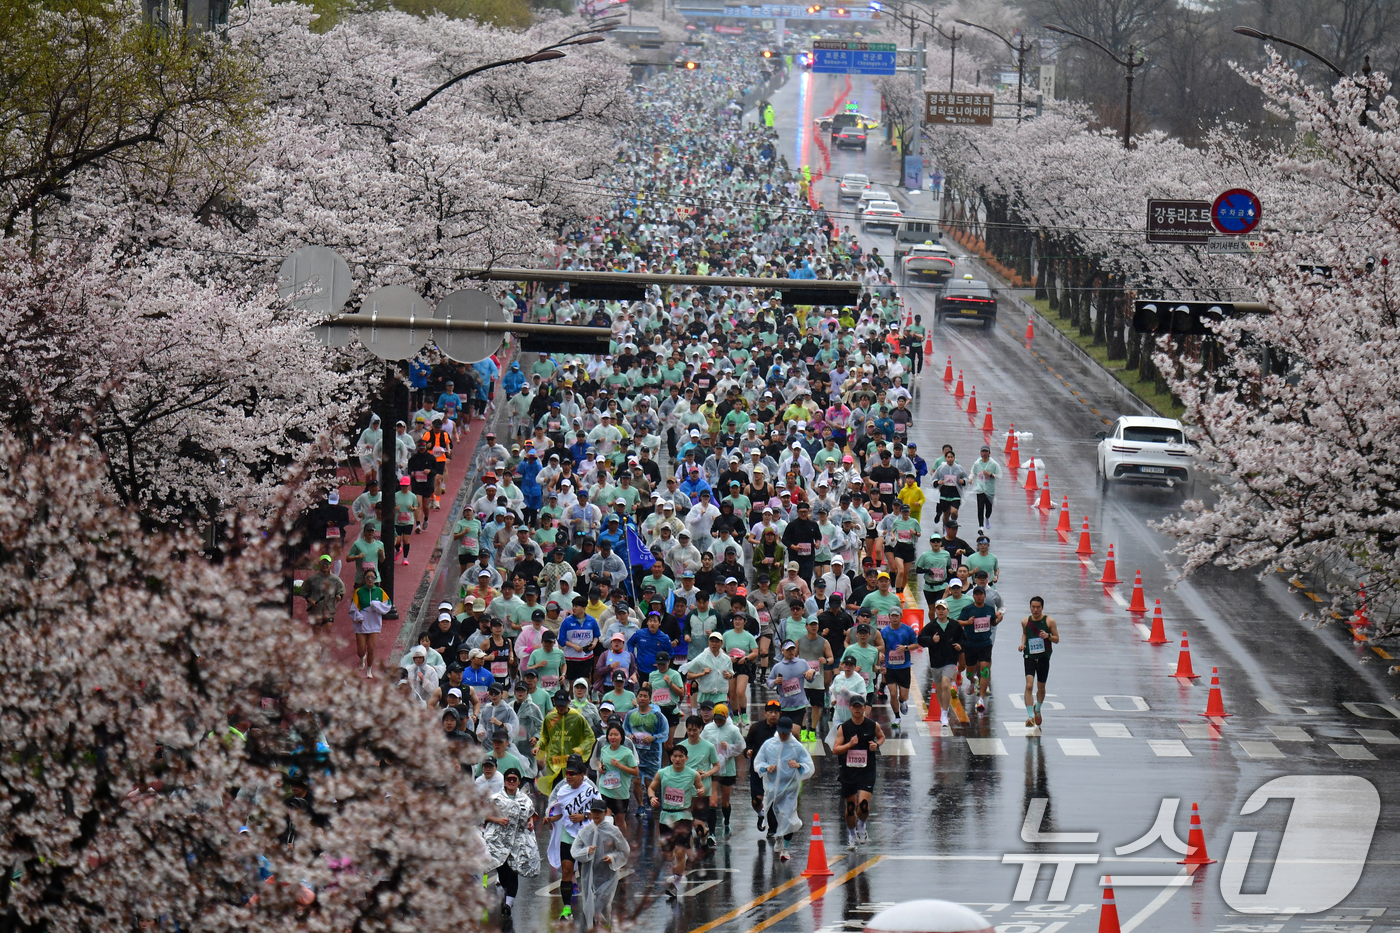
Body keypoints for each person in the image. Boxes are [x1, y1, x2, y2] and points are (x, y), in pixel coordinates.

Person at [544, 753, 598, 922]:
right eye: (567, 773)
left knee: (586, 873)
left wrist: (584, 816)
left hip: (586, 836)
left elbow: (601, 812)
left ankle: (591, 907)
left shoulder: (591, 789)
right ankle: (566, 909)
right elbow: (558, 813)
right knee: (567, 871)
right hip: (568, 834)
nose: (569, 777)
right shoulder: (562, 791)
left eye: (573, 774)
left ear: (582, 775)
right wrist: (550, 819)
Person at [753, 716, 815, 861]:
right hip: (772, 787)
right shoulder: (769, 745)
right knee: (772, 815)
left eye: (786, 733)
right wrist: (766, 767)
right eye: (781, 732)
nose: (783, 735)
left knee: (788, 817)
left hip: (790, 788)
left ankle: (785, 848)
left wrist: (799, 766)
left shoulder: (796, 747)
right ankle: (778, 836)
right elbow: (758, 762)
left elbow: (809, 766)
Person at [482, 768, 539, 920]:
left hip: (517, 842)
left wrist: (531, 822)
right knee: (503, 872)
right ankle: (505, 893)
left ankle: (508, 904)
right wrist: (498, 820)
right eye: (509, 779)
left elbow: (531, 814)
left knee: (514, 872)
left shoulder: (525, 800)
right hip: (499, 841)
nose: (511, 782)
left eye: (514, 779)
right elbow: (484, 816)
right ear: (505, 782)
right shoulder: (495, 798)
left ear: (519, 782)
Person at [649, 744, 705, 897]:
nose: (678, 759)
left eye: (681, 756)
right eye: (675, 756)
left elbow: (701, 789)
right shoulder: (662, 773)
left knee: (680, 852)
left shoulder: (693, 774)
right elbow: (651, 787)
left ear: (686, 758)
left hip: (683, 816)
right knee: (668, 854)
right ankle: (679, 859)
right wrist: (652, 797)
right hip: (666, 816)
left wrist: (700, 791)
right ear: (671, 758)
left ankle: (675, 884)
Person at [832, 694, 884, 850]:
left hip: (866, 770)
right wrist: (849, 744)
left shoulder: (872, 725)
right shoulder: (844, 728)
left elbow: (881, 737)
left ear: (864, 708)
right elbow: (835, 749)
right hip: (848, 771)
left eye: (859, 706)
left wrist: (876, 744)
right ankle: (851, 835)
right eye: (854, 706)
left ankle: (861, 825)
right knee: (850, 808)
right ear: (850, 708)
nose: (857, 709)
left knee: (863, 806)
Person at [572, 798, 631, 932]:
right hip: (589, 875)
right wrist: (586, 851)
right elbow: (574, 851)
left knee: (602, 904)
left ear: (605, 813)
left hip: (608, 875)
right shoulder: (585, 831)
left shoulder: (613, 831)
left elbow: (624, 850)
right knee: (589, 907)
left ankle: (606, 928)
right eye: (594, 812)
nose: (596, 815)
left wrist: (612, 857)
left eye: (599, 812)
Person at [536, 691, 596, 796]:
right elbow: (545, 737)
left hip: (572, 763)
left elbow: (590, 737)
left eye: (563, 705)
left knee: (572, 792)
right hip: (554, 764)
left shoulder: (577, 718)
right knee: (555, 794)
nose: (560, 708)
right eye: (558, 705)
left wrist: (581, 749)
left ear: (569, 702)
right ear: (554, 702)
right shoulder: (549, 718)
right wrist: (538, 746)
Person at [701, 702, 744, 839]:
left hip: (727, 770)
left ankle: (727, 823)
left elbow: (741, 746)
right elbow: (701, 743)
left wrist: (729, 747)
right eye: (716, 718)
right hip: (713, 770)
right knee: (713, 802)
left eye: (721, 719)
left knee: (725, 802)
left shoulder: (733, 730)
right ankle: (712, 833)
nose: (718, 721)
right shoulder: (708, 728)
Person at [917, 600, 962, 727]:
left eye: (943, 609)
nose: (941, 611)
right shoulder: (931, 626)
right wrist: (932, 640)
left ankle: (944, 713)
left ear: (948, 611)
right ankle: (943, 708)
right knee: (939, 688)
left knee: (946, 684)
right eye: (938, 609)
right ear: (935, 611)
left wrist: (960, 646)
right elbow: (920, 639)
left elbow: (963, 639)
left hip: (950, 660)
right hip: (936, 660)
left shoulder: (954, 625)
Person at [623, 684, 669, 807]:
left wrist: (654, 737)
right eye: (640, 696)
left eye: (645, 696)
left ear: (650, 699)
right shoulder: (631, 715)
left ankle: (651, 803)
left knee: (650, 783)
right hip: (635, 754)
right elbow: (625, 729)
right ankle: (640, 806)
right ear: (637, 698)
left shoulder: (657, 716)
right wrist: (629, 735)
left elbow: (665, 733)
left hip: (651, 756)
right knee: (636, 780)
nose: (642, 698)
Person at [958, 584, 1001, 713]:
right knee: (970, 671)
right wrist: (967, 622)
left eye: (980, 594)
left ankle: (981, 699)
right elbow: (958, 622)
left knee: (985, 670)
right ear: (974, 596)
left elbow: (993, 622)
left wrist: (998, 620)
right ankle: (972, 681)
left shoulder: (989, 609)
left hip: (985, 643)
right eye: (976, 594)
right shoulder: (968, 609)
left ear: (984, 595)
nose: (978, 596)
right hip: (971, 644)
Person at [1019, 596, 1059, 729]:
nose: (1035, 610)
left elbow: (1057, 639)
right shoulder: (1025, 621)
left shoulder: (1049, 621)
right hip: (1029, 657)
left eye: (1038, 607)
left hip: (1043, 658)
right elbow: (1025, 633)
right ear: (1030, 607)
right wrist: (1022, 644)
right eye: (1033, 607)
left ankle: (1038, 709)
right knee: (1029, 686)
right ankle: (1030, 716)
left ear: (1042, 608)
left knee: (1040, 687)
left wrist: (1048, 636)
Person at [744, 701, 782, 832]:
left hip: (774, 770)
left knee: (772, 800)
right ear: (765, 713)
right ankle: (761, 814)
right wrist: (748, 751)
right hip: (758, 769)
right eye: (770, 712)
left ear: (780, 714)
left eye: (776, 713)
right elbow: (747, 744)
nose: (773, 715)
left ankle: (773, 828)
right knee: (756, 800)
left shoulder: (781, 730)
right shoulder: (756, 728)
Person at [596, 722, 639, 833]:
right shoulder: (604, 749)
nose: (613, 737)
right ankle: (607, 844)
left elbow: (635, 771)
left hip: (620, 793)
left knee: (619, 822)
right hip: (605, 789)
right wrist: (600, 767)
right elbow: (601, 761)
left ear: (621, 737)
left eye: (616, 735)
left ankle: (622, 844)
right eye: (610, 735)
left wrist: (619, 766)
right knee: (606, 818)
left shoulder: (627, 753)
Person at [349, 567, 391, 678]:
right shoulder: (359, 592)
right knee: (361, 649)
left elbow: (387, 606)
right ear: (364, 579)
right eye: (368, 577)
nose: (370, 580)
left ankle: (369, 669)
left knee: (371, 649)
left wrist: (377, 606)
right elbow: (353, 608)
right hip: (361, 624)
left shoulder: (380, 592)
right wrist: (358, 617)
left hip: (374, 625)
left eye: (372, 577)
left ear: (375, 579)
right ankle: (361, 657)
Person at [880, 610, 919, 728]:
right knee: (892, 693)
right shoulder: (884, 631)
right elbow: (881, 646)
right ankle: (897, 717)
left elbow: (916, 644)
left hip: (904, 667)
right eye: (892, 616)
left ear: (901, 617)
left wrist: (906, 648)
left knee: (903, 695)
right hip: (890, 667)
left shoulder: (907, 630)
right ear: (889, 617)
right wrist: (881, 655)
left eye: (897, 616)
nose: (895, 618)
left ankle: (902, 701)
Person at [722, 612, 759, 725]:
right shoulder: (727, 635)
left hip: (743, 666)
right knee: (732, 692)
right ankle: (735, 715)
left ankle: (744, 713)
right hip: (730, 665)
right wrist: (728, 657)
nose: (737, 622)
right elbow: (722, 649)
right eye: (735, 619)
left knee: (740, 691)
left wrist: (746, 658)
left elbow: (755, 652)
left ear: (744, 622)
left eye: (740, 620)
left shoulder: (748, 636)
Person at [301, 554, 345, 635]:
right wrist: (311, 601)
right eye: (323, 563)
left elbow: (341, 592)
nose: (325, 565)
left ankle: (324, 647)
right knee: (316, 635)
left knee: (327, 633)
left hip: (329, 611)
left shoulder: (336, 580)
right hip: (315, 611)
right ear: (319, 564)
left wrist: (339, 597)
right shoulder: (312, 579)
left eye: (327, 563)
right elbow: (304, 592)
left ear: (331, 564)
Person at [970, 445, 1001, 530]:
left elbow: (999, 476)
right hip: (980, 489)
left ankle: (987, 518)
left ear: (989, 453)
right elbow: (973, 472)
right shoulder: (977, 464)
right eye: (983, 451)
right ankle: (981, 526)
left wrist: (990, 474)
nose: (984, 453)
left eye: (986, 451)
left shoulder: (993, 464)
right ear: (980, 453)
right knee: (980, 507)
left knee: (989, 508)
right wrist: (971, 478)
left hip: (990, 490)